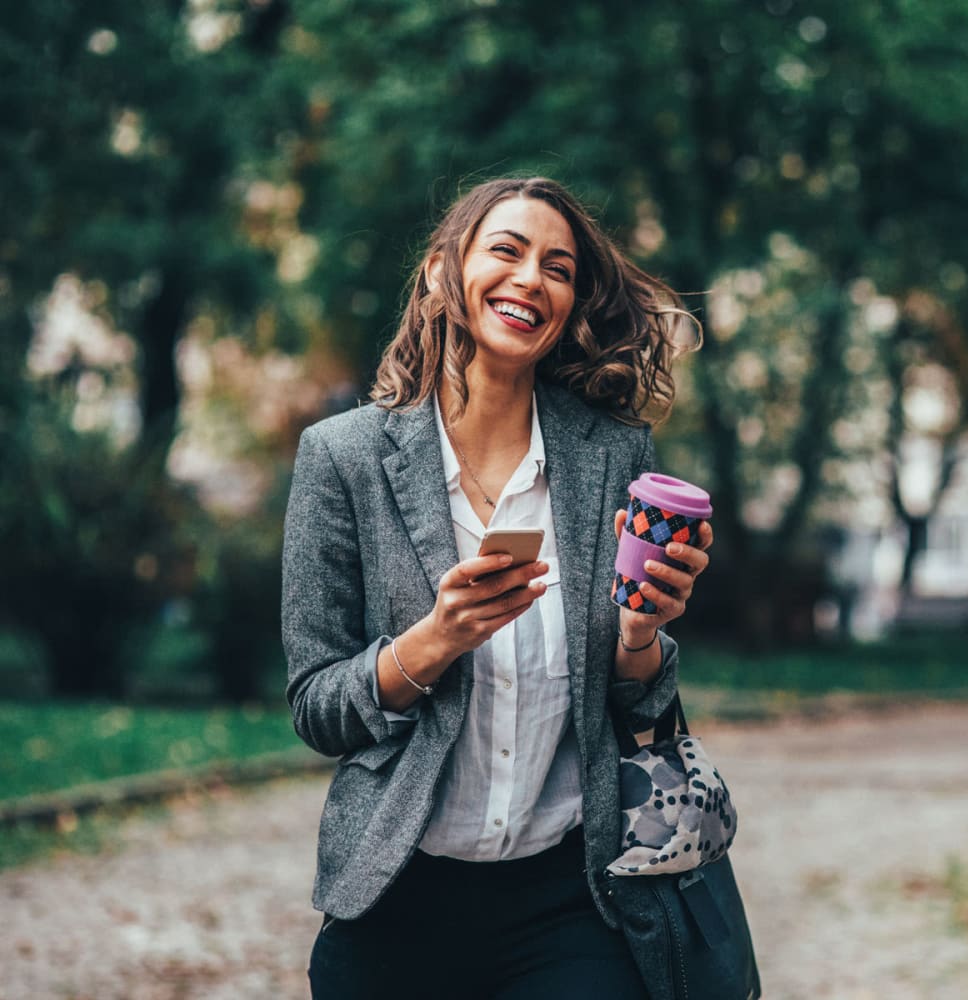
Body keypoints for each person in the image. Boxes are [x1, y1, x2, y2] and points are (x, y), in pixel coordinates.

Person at [282, 176, 712, 999]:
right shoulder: (343, 459)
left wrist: (642, 634)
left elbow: (642, 707)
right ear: (445, 273)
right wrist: (435, 638)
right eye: (506, 251)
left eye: (557, 267)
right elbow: (316, 706)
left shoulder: (613, 456)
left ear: (570, 305)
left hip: (571, 898)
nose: (530, 280)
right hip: (400, 894)